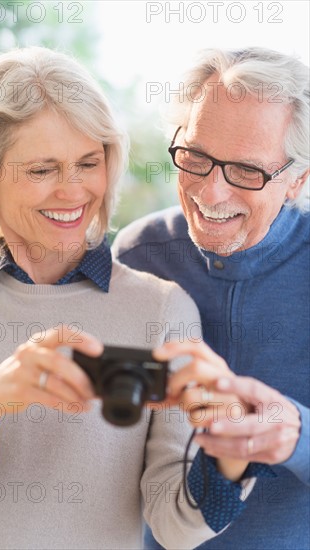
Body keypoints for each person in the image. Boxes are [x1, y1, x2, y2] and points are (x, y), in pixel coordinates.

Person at [0, 46, 256, 550]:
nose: (73, 192)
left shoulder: (160, 309)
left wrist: (232, 449)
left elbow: (175, 527)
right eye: (42, 170)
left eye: (88, 163)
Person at [113, 47, 310, 550]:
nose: (210, 192)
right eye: (196, 157)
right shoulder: (140, 254)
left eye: (246, 171)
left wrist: (297, 437)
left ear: (298, 180)